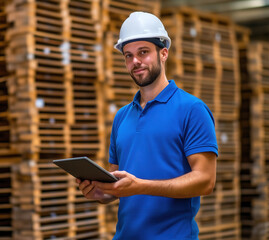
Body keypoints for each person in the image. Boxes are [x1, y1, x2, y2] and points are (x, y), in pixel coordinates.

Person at [77, 12, 218, 239]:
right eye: (128, 56)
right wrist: (101, 193)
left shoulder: (192, 109)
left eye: (143, 52)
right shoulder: (122, 117)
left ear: (164, 53)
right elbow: (118, 182)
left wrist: (141, 186)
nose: (135, 62)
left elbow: (205, 181)